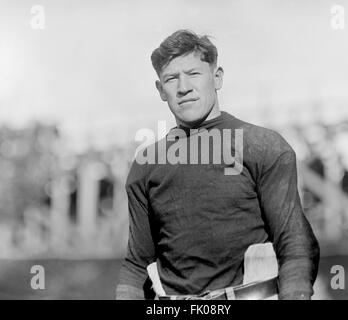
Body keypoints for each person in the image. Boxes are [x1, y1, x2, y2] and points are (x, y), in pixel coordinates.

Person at [116, 29, 320, 300]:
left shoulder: (263, 146)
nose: (183, 87)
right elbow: (136, 263)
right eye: (171, 79)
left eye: (193, 73)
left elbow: (295, 245)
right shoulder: (146, 164)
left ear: (217, 77)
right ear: (160, 90)